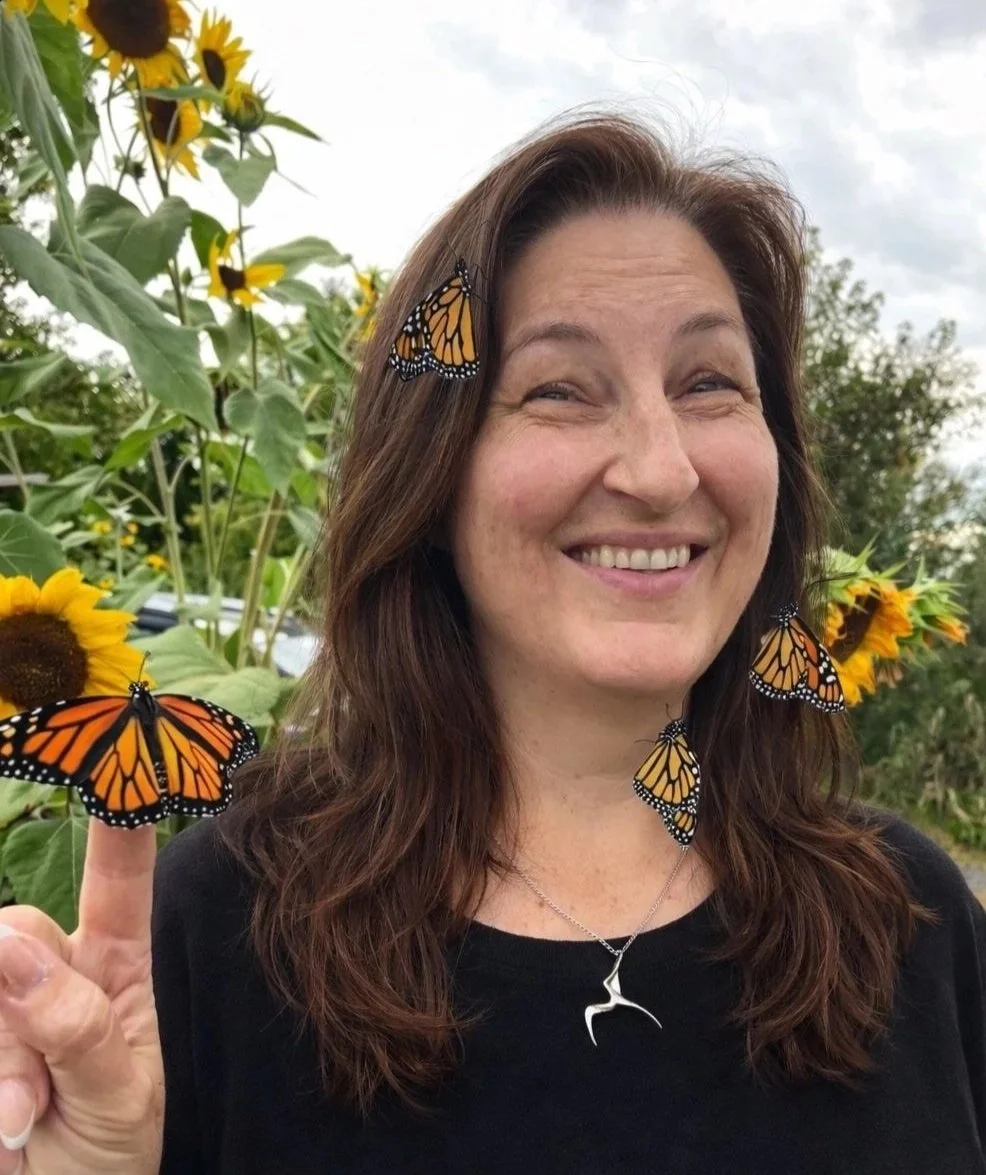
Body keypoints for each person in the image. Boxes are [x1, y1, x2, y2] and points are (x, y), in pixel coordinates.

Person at [0, 112, 982, 1175]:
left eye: (707, 383)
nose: (659, 471)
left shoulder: (910, 921)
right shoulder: (222, 928)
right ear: (430, 473)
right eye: (557, 388)